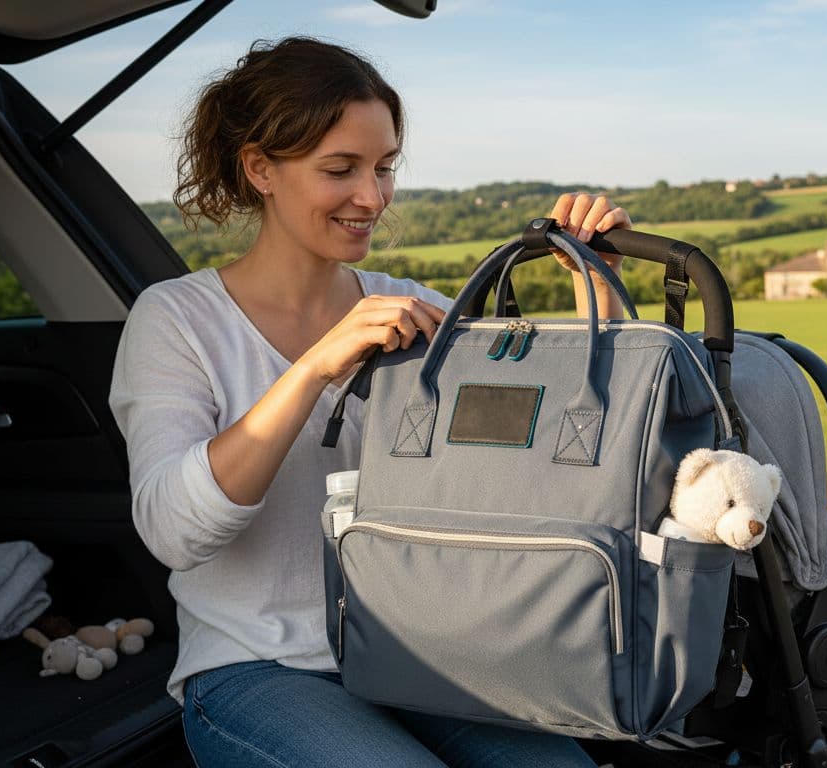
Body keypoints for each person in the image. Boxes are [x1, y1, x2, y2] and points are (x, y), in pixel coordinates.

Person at [108, 37, 630, 768]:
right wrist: (317, 366)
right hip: (259, 669)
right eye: (340, 169)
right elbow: (173, 531)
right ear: (260, 168)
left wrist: (596, 283)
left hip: (429, 656)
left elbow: (565, 448)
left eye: (384, 168)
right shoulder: (176, 321)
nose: (373, 196)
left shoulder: (414, 309)